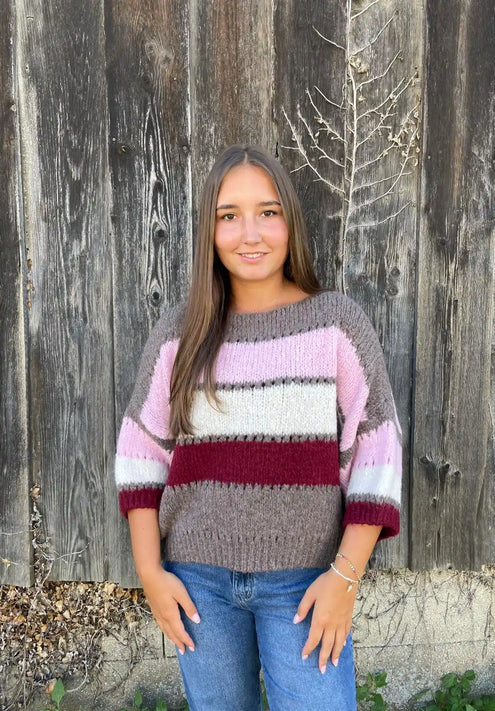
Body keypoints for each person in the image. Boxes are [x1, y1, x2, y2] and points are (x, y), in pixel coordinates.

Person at [114, 144, 402, 711]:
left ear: (290, 221)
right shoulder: (180, 334)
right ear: (210, 230)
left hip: (305, 584)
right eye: (230, 216)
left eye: (268, 212)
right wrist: (149, 572)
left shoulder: (335, 325)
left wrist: (344, 579)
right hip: (198, 586)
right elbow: (140, 453)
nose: (250, 234)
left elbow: (378, 450)